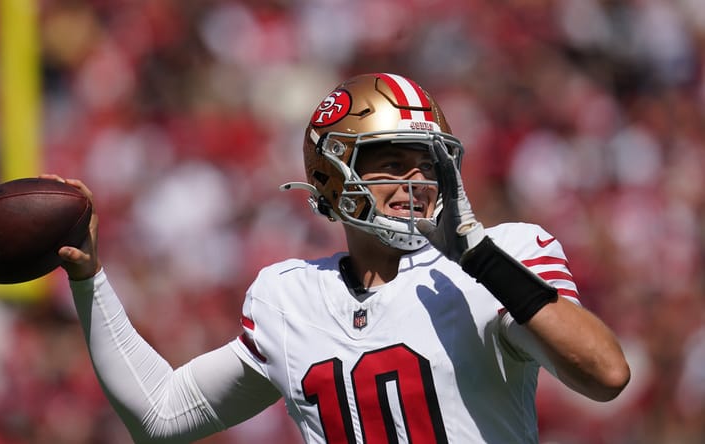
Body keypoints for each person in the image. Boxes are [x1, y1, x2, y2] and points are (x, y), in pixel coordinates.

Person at [48, 72, 630, 443]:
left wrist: (480, 256)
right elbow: (161, 415)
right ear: (332, 175)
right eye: (390, 163)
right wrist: (89, 278)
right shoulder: (289, 299)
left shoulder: (501, 257)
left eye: (427, 164)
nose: (415, 181)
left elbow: (606, 374)